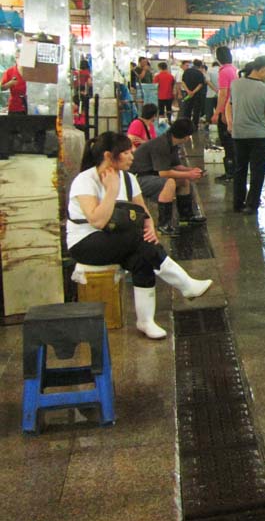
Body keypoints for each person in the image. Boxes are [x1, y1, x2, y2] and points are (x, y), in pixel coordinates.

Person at [67, 131, 212, 339]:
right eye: (125, 152)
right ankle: (185, 283)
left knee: (142, 257)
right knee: (138, 242)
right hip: (85, 243)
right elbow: (97, 221)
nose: (132, 156)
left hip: (118, 240)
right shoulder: (85, 180)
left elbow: (142, 211)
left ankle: (146, 321)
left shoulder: (128, 178)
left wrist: (150, 227)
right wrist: (110, 191)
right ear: (109, 156)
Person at [130, 118, 206, 236]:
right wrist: (189, 174)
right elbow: (164, 173)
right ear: (185, 136)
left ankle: (185, 216)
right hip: (138, 179)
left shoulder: (172, 143)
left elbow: (176, 166)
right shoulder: (161, 144)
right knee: (169, 182)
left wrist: (191, 171)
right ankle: (164, 224)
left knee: (183, 180)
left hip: (152, 175)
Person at [226, 56, 265, 215]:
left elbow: (230, 105)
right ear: (262, 70)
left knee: (240, 170)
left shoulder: (235, 84)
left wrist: (230, 124)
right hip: (258, 136)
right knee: (257, 172)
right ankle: (251, 205)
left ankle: (237, 204)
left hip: (238, 134)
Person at [211, 46, 237, 183]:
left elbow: (223, 94)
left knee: (227, 143)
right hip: (234, 109)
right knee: (231, 143)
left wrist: (218, 113)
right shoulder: (233, 69)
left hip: (227, 111)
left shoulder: (224, 71)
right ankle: (232, 172)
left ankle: (230, 173)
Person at [180, 58, 206, 129]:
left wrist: (188, 91)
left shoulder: (187, 71)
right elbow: (200, 84)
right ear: (200, 66)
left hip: (188, 94)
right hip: (197, 95)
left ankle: (186, 125)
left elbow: (183, 82)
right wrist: (193, 92)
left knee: (187, 109)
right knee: (196, 111)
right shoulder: (200, 73)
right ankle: (195, 126)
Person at [1, 50, 27, 114]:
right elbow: (2, 87)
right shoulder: (10, 71)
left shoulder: (31, 71)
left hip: (29, 107)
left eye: (21, 57)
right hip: (15, 107)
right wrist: (10, 83)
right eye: (17, 57)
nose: (19, 59)